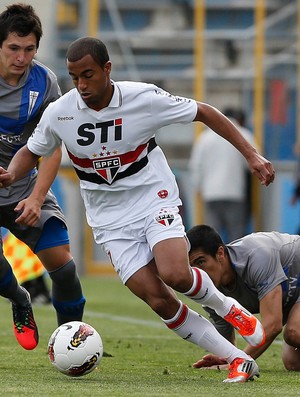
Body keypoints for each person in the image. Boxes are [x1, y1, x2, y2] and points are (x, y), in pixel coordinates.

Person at [0, 37, 275, 382]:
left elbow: (204, 111)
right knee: (159, 300)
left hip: (151, 196)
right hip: (109, 218)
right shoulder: (62, 111)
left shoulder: (142, 97)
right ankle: (238, 359)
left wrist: (251, 154)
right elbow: (34, 148)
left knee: (175, 272)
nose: (82, 85)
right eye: (74, 77)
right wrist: (12, 174)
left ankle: (226, 307)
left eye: (88, 75)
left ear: (107, 69)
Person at [0, 3, 85, 350]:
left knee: (63, 268)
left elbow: (52, 146)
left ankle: (73, 342)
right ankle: (20, 299)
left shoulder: (45, 82)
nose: (22, 57)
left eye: (29, 49)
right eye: (13, 48)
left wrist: (36, 198)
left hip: (24, 186)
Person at [187, 224, 300, 371]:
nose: (198, 272)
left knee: (294, 333)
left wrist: (239, 362)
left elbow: (273, 324)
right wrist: (226, 358)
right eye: (192, 267)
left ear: (220, 253)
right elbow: (226, 344)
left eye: (201, 262)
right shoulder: (208, 289)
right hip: (295, 296)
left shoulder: (257, 256)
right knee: (293, 362)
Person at [189, 108, 255, 242]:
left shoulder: (204, 138)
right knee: (236, 238)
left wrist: (199, 187)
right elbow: (253, 161)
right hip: (235, 192)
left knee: (212, 237)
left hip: (211, 193)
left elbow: (195, 165)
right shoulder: (244, 134)